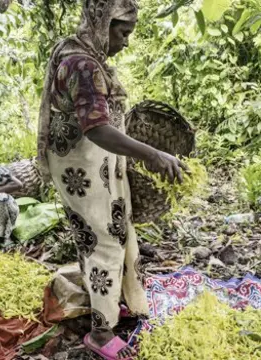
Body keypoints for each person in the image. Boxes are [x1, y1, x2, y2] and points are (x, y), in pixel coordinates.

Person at [36, 0, 187, 358]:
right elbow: (98, 129)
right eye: (123, 33)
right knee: (102, 239)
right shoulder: (82, 64)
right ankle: (101, 334)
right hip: (81, 168)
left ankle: (112, 300)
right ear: (103, 25)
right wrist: (152, 154)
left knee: (115, 230)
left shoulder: (77, 50)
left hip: (90, 163)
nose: (126, 42)